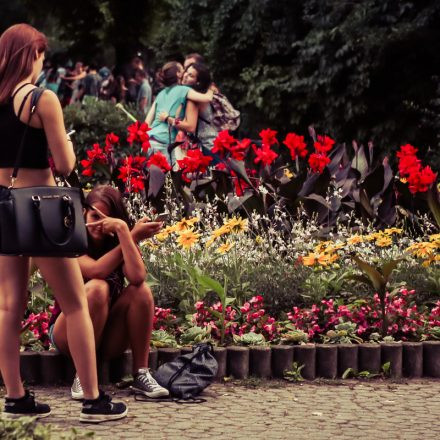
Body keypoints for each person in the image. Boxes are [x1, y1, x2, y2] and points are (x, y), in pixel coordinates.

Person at [0, 23, 127, 422]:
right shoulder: (41, 99)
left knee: (8, 307)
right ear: (31, 56)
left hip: (3, 205)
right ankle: (92, 397)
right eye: (40, 55)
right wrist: (66, 141)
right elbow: (67, 164)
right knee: (74, 303)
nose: (42, 63)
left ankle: (16, 395)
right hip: (41, 210)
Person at [49, 185, 169, 399]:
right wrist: (131, 236)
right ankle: (83, 374)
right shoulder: (71, 238)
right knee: (97, 287)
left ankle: (141, 373)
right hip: (67, 333)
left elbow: (137, 277)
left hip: (107, 335)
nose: (99, 223)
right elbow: (96, 270)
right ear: (84, 212)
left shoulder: (119, 240)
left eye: (108, 218)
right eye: (95, 215)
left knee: (141, 292)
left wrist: (124, 235)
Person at [145, 61, 213, 167]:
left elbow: (146, 122)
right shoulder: (184, 90)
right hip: (164, 141)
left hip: (151, 140)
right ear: (178, 74)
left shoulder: (161, 93)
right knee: (168, 180)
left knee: (151, 179)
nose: (184, 73)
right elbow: (207, 98)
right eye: (183, 70)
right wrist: (211, 90)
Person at [160, 62, 220, 164]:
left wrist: (168, 119)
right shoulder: (200, 94)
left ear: (198, 82)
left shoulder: (193, 100)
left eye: (191, 75)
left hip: (207, 149)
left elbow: (190, 127)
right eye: (186, 72)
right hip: (213, 146)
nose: (185, 76)